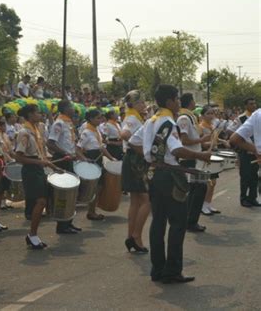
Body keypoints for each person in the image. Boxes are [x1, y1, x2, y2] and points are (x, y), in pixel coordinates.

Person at [142, 85, 211, 284]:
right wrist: (200, 154)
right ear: (170, 101)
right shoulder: (168, 123)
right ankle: (172, 271)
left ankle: (157, 269)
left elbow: (136, 144)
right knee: (178, 223)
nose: (179, 103)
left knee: (158, 222)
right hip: (168, 176)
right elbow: (177, 150)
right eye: (177, 99)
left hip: (153, 173)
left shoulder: (150, 121)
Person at [15, 104, 59, 248]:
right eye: (37, 113)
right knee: (40, 201)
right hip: (31, 170)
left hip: (39, 168)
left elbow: (41, 151)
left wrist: (48, 162)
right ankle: (32, 234)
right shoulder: (24, 132)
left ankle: (33, 234)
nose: (40, 115)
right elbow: (19, 158)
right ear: (30, 115)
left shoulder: (37, 129)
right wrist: (41, 162)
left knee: (42, 202)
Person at [47, 100, 86, 234]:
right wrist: (66, 153)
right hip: (62, 160)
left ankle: (68, 221)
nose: (73, 108)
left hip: (69, 159)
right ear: (64, 109)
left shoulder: (68, 123)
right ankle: (62, 225)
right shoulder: (59, 123)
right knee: (63, 194)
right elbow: (50, 143)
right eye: (70, 106)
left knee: (72, 193)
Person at [120, 90, 151, 252]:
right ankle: (136, 236)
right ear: (134, 104)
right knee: (147, 200)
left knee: (136, 201)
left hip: (132, 160)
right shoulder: (132, 118)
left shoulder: (135, 116)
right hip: (135, 161)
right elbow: (124, 134)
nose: (144, 105)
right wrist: (139, 149)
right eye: (141, 102)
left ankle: (131, 236)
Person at [177, 94, 211, 232]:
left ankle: (190, 220)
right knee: (198, 189)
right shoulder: (184, 118)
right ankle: (190, 222)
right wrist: (202, 141)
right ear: (191, 102)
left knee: (198, 189)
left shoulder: (191, 117)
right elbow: (184, 140)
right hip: (187, 160)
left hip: (194, 158)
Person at [77, 109, 115, 220]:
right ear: (91, 119)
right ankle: (91, 212)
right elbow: (78, 149)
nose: (100, 120)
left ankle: (92, 210)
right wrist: (85, 159)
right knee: (94, 187)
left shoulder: (96, 130)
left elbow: (101, 148)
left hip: (97, 159)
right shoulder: (86, 132)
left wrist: (111, 158)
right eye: (98, 118)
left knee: (99, 186)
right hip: (91, 159)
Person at [228, 98, 259, 207]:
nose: (253, 105)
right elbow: (230, 130)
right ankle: (243, 198)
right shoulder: (241, 118)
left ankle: (252, 197)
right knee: (245, 175)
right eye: (251, 104)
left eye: (254, 103)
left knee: (254, 175)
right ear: (246, 106)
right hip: (245, 150)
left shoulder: (257, 117)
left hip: (256, 151)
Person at [199, 105, 226, 215]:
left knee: (213, 182)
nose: (211, 115)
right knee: (207, 182)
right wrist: (211, 143)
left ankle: (208, 204)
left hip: (213, 154)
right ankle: (202, 205)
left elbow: (214, 138)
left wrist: (222, 141)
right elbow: (200, 143)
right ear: (202, 115)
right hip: (205, 156)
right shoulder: (200, 127)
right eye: (208, 113)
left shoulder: (212, 126)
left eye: (212, 113)